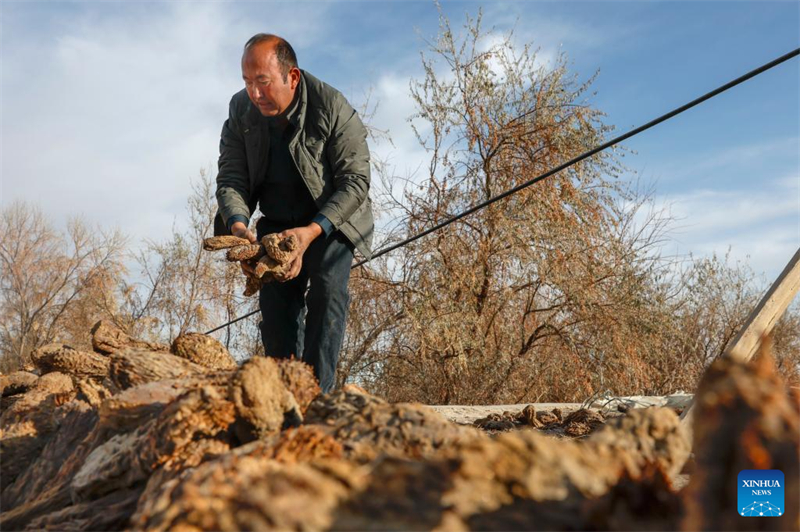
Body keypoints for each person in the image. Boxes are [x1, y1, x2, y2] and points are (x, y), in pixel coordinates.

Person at [214, 33, 373, 393]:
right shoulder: (240, 109)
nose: (255, 93)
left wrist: (310, 233)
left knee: (327, 294)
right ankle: (284, 399)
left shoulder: (333, 107)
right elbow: (231, 177)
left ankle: (317, 397)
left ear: (293, 77)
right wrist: (238, 227)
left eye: (263, 82)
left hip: (329, 221)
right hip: (276, 222)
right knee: (276, 313)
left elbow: (355, 182)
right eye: (247, 82)